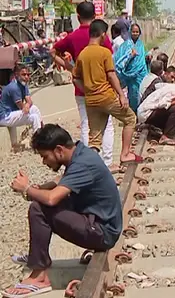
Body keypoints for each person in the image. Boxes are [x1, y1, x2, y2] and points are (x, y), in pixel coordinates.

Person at [4, 124, 121, 297]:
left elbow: (51, 199)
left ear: (59, 150)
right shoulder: (80, 153)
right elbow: (63, 179)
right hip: (96, 221)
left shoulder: (83, 164)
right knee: (41, 202)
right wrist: (41, 188)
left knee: (39, 208)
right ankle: (36, 256)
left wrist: (27, 189)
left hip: (102, 233)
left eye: (45, 156)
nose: (44, 162)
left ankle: (39, 276)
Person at [51, 2, 115, 166]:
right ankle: (106, 162)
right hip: (102, 88)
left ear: (78, 17)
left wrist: (70, 68)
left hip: (81, 89)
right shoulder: (101, 37)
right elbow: (110, 58)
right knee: (105, 125)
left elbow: (53, 51)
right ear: (95, 16)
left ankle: (89, 163)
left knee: (87, 124)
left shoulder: (71, 37)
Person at [72, 19, 140, 166]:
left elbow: (75, 79)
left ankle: (91, 166)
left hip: (91, 101)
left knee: (95, 137)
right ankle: (125, 154)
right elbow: (111, 75)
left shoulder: (82, 55)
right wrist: (121, 95)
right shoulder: (104, 52)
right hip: (107, 97)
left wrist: (88, 90)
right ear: (102, 35)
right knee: (130, 119)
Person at [0, 65, 43, 152]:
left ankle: (43, 131)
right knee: (34, 117)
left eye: (28, 74)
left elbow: (29, 101)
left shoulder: (23, 84)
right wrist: (27, 105)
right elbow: (21, 107)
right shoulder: (14, 87)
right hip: (5, 117)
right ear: (17, 75)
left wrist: (27, 105)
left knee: (34, 109)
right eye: (23, 74)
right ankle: (38, 144)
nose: (26, 77)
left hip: (13, 113)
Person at [114, 23, 149, 113]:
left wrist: (147, 58)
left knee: (142, 93)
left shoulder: (141, 44)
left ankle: (141, 113)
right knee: (133, 94)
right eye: (133, 32)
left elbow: (143, 57)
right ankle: (133, 113)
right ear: (130, 32)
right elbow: (119, 62)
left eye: (137, 32)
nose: (135, 34)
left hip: (141, 74)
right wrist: (131, 56)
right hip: (131, 76)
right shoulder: (125, 45)